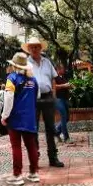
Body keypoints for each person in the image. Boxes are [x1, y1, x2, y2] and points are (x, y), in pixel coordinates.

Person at [1, 52, 40, 185]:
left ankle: (17, 175)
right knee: (31, 146)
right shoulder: (33, 80)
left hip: (16, 118)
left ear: (14, 66)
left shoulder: (12, 78)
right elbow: (36, 97)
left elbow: (8, 99)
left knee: (16, 146)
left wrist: (4, 116)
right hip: (30, 118)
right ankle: (34, 173)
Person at [25, 37, 64, 167]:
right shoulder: (25, 64)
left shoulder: (47, 62)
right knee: (32, 128)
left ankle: (53, 158)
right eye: (32, 47)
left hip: (47, 97)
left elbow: (53, 80)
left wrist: (53, 96)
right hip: (31, 99)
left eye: (37, 46)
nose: (35, 49)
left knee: (51, 128)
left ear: (41, 48)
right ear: (29, 49)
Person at [54, 63, 72, 142]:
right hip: (58, 99)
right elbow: (54, 87)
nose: (63, 70)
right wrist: (64, 85)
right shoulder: (54, 77)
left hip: (65, 99)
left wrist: (70, 86)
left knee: (67, 118)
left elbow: (66, 86)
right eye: (61, 69)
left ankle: (57, 132)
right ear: (58, 70)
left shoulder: (63, 77)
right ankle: (66, 137)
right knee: (64, 117)